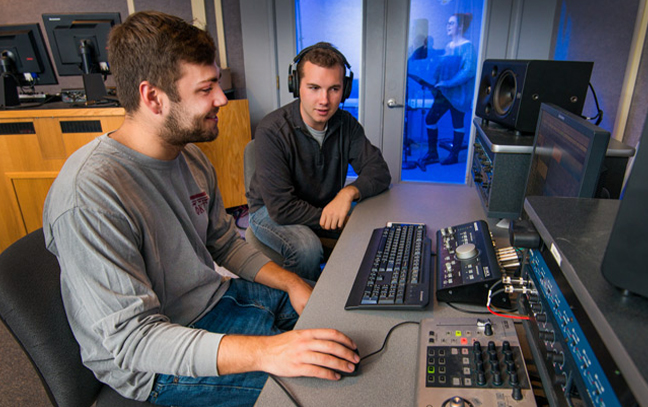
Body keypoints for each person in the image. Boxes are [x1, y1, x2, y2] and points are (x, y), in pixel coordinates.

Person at [42, 11, 360, 406]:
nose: (222, 99)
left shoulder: (190, 158)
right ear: (153, 97)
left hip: (216, 302)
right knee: (326, 394)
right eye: (206, 88)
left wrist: (293, 283)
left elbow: (226, 245)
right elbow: (134, 340)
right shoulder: (89, 194)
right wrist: (269, 352)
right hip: (156, 361)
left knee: (345, 335)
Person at [246, 43, 391, 281]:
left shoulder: (346, 124)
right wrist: (335, 219)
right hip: (268, 211)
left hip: (322, 205)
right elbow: (281, 207)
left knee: (374, 233)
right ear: (297, 87)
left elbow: (379, 171)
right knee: (307, 247)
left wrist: (347, 193)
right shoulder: (272, 130)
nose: (324, 100)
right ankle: (305, 311)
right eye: (314, 88)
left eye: (334, 89)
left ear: (345, 90)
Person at [417, 13, 476, 169]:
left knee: (457, 122)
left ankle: (454, 155)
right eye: (447, 23)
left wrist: (448, 83)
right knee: (430, 119)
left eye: (451, 23)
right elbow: (441, 67)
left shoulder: (468, 46)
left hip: (459, 95)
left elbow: (468, 71)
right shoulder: (449, 46)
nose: (448, 26)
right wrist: (432, 80)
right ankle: (432, 152)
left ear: (461, 26)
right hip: (444, 93)